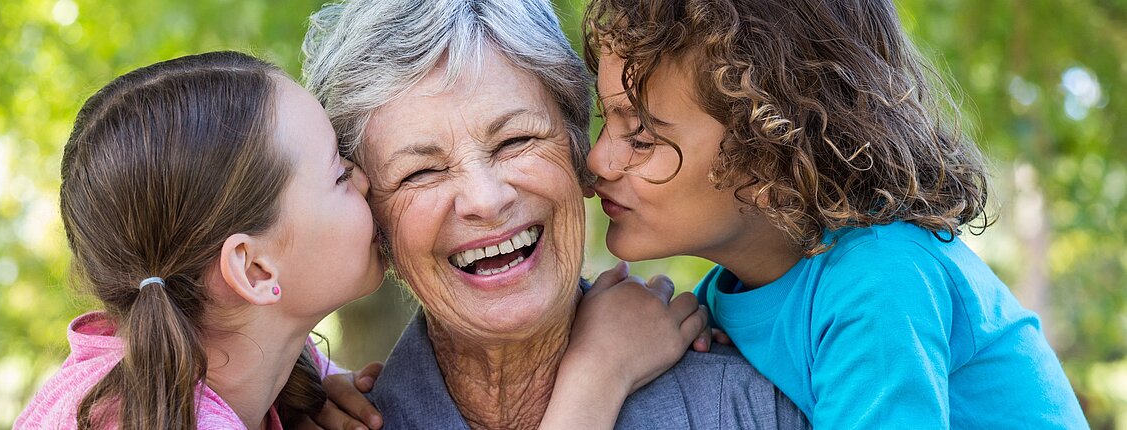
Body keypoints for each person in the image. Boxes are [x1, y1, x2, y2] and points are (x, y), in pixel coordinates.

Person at [15, 51, 706, 430]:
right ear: (254, 270)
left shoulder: (184, 362)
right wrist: (597, 376)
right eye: (343, 174)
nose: (374, 190)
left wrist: (309, 386)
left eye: (517, 139)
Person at [581, 0, 1089, 428]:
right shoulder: (731, 291)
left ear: (770, 151)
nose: (597, 160)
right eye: (606, 122)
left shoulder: (878, 277)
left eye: (643, 137)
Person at [303, 0, 809, 428]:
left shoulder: (745, 406)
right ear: (372, 222)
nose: (486, 199)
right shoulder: (324, 420)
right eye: (421, 172)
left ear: (577, 153)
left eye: (516, 140)